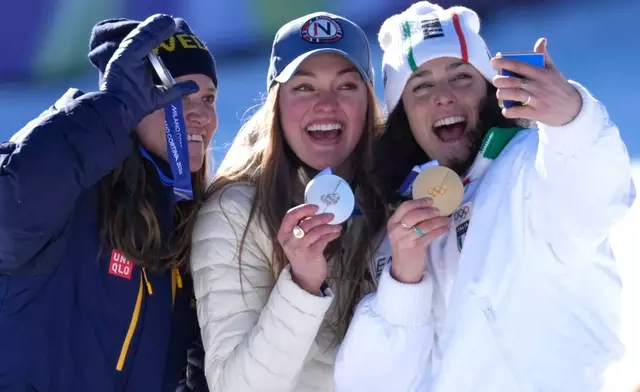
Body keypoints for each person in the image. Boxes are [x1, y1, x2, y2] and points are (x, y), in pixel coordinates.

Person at [333, 2, 634, 391]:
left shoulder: (532, 166)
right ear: (403, 115)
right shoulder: (393, 232)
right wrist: (403, 283)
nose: (443, 96)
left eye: (461, 76)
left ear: (489, 92)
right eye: (421, 85)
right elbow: (368, 384)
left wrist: (572, 120)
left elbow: (595, 198)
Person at [0, 14, 217, 391]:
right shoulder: (69, 188)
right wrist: (110, 110)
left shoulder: (183, 220)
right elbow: (7, 205)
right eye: (177, 94)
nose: (201, 115)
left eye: (208, 98)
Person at [189, 11, 387, 392]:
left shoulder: (399, 193)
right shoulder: (233, 213)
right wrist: (301, 286)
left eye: (347, 86)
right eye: (304, 88)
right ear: (276, 104)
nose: (327, 104)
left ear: (369, 101)